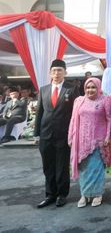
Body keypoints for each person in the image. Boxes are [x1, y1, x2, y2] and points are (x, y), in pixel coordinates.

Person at [35, 59, 77, 208]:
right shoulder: (44, 89)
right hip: (46, 134)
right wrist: (36, 134)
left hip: (63, 134)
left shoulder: (71, 89)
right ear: (50, 73)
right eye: (54, 70)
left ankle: (62, 195)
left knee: (61, 166)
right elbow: (39, 112)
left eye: (59, 70)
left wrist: (73, 134)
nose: (56, 73)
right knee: (48, 166)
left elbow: (75, 113)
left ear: (65, 72)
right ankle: (50, 195)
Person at [68, 78, 111, 208]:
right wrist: (71, 137)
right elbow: (73, 119)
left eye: (93, 87)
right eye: (88, 87)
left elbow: (109, 119)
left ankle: (97, 194)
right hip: (81, 141)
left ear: (98, 88)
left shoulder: (105, 100)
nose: (90, 90)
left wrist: (108, 136)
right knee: (84, 169)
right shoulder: (79, 101)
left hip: (98, 142)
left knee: (96, 168)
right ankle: (85, 194)